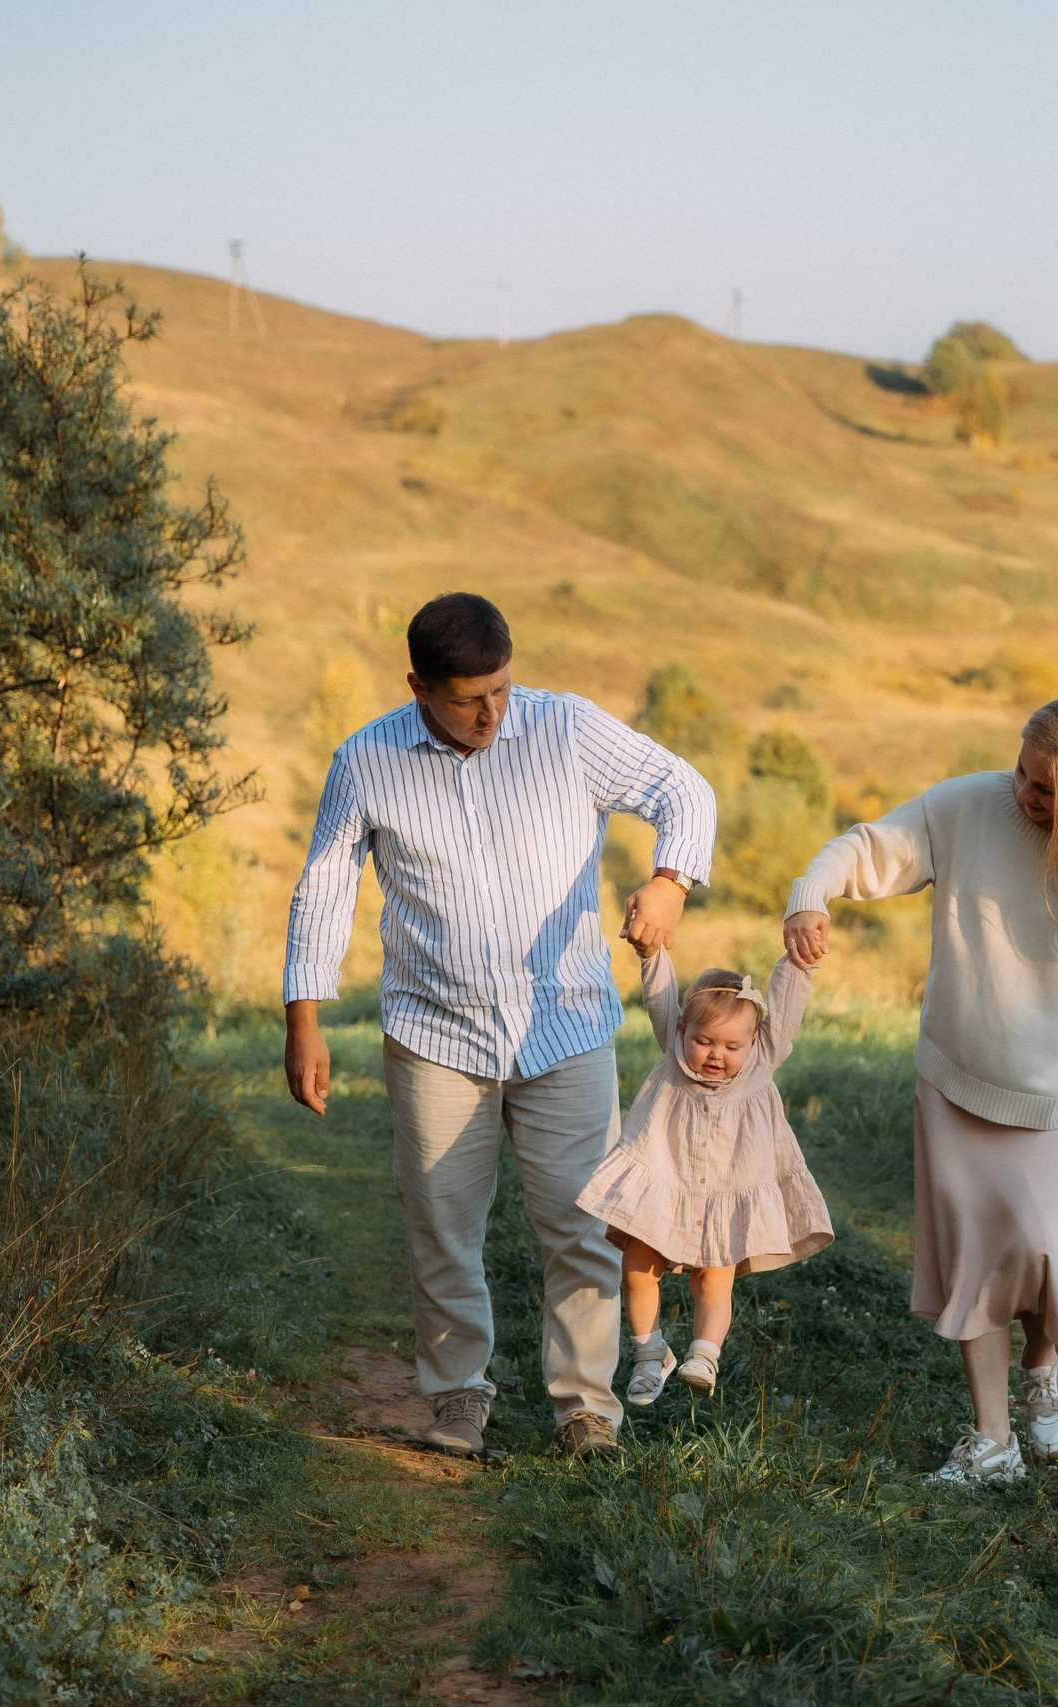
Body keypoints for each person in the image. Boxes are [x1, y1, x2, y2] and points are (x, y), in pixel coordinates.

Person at [281, 593, 716, 1462]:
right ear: (418, 688)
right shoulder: (366, 761)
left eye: (502, 690)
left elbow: (683, 788)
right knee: (442, 1221)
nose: (491, 714)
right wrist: (305, 1018)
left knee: (584, 1222)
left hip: (567, 1025)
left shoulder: (565, 729)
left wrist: (669, 880)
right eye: (468, 698)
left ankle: (586, 1408)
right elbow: (325, 885)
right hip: (434, 1032)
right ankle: (456, 1399)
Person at [782, 693, 1058, 1487]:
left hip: (1054, 1090)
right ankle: (993, 1441)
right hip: (955, 1078)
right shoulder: (967, 806)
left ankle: (1044, 1365)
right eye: (1023, 773)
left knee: (1041, 1248)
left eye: (1046, 791)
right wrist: (811, 891)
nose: (1023, 795)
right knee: (978, 1261)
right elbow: (867, 847)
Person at [575, 945, 833, 1403]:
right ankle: (650, 1352)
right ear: (681, 1030)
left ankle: (704, 1354)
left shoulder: (761, 1061)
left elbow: (788, 1004)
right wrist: (652, 952)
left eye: (732, 1046)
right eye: (704, 1041)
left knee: (715, 1277)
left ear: (754, 1042)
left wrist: (797, 961)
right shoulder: (673, 1054)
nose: (716, 1055)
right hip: (666, 1182)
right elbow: (658, 995)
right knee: (637, 1267)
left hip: (726, 1193)